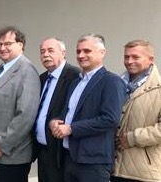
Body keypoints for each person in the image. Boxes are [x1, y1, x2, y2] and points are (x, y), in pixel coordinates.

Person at [49, 33, 126, 182]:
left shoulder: (111, 81)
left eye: (87, 51)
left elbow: (110, 119)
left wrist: (71, 128)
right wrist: (54, 122)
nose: (81, 55)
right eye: (78, 51)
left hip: (93, 162)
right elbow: (68, 112)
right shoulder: (76, 83)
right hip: (70, 157)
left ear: (102, 52)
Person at [0, 26, 40, 182]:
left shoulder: (26, 71)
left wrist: (2, 145)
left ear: (20, 45)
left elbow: (25, 116)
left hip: (10, 154)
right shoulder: (3, 68)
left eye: (8, 44)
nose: (2, 48)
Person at [113, 39, 161, 182]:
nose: (129, 61)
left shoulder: (159, 89)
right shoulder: (117, 84)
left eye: (135, 57)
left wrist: (132, 138)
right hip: (113, 169)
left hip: (144, 173)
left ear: (150, 59)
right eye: (126, 57)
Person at [33, 37, 79, 182]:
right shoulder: (42, 78)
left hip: (62, 152)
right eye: (42, 51)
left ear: (63, 53)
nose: (45, 55)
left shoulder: (75, 76)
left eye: (51, 50)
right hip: (42, 150)